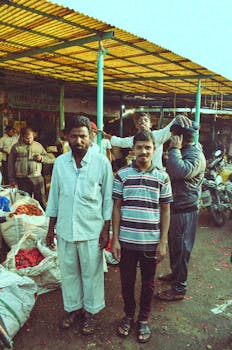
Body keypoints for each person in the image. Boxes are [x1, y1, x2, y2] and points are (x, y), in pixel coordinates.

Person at [45, 115, 113, 335]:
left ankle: (90, 314)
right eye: (73, 136)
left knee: (91, 274)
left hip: (91, 230)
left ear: (91, 137)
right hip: (65, 229)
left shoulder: (101, 163)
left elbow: (108, 199)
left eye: (82, 136)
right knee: (69, 272)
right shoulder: (60, 163)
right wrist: (50, 228)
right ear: (67, 137)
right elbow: (54, 196)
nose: (78, 140)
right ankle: (73, 309)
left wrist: (106, 230)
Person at [112, 130, 173, 343]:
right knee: (127, 282)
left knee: (148, 283)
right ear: (133, 150)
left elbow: (165, 210)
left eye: (148, 147)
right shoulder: (122, 175)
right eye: (139, 147)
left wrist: (163, 241)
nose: (143, 151)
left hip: (150, 241)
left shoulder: (162, 177)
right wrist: (116, 240)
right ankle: (128, 316)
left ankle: (144, 319)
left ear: (154, 149)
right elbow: (117, 208)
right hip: (127, 241)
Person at [157, 120, 206, 301]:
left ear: (179, 137)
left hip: (186, 210)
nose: (171, 139)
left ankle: (179, 288)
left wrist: (174, 150)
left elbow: (180, 171)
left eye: (173, 135)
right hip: (177, 207)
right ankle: (175, 274)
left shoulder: (195, 154)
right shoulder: (187, 150)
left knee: (182, 249)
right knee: (175, 246)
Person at [104, 112, 191, 170]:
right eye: (140, 121)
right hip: (140, 172)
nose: (142, 122)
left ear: (150, 124)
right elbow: (120, 142)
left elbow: (169, 128)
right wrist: (105, 136)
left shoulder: (158, 135)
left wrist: (177, 118)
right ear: (137, 126)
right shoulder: (134, 139)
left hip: (156, 172)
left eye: (145, 120)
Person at [8, 127, 54, 210]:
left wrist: (41, 158)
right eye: (27, 138)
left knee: (41, 201)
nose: (29, 140)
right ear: (22, 136)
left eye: (31, 138)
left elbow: (51, 159)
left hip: (37, 178)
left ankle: (45, 220)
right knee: (25, 202)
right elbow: (10, 164)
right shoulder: (16, 147)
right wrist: (12, 180)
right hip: (22, 179)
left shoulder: (38, 146)